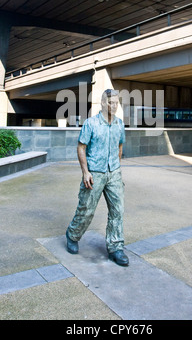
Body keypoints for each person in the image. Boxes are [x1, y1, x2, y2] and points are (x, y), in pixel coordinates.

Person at [66, 89, 129, 267]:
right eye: (111, 102)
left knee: (118, 210)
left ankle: (115, 247)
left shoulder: (119, 124)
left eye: (116, 103)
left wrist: (117, 170)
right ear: (103, 103)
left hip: (114, 173)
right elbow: (81, 148)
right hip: (94, 173)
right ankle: (72, 235)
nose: (114, 106)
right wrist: (85, 172)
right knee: (87, 210)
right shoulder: (91, 124)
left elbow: (119, 146)